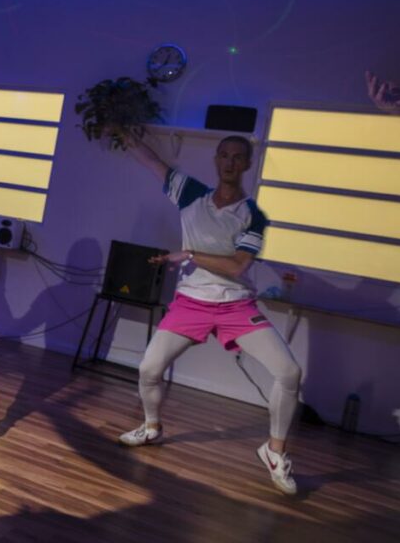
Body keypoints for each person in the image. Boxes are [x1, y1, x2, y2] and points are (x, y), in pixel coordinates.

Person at [115, 132, 302, 496]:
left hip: (236, 306)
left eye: (237, 157)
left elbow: (235, 266)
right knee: (148, 370)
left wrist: (188, 255)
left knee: (290, 372)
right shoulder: (191, 193)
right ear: (216, 160)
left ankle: (274, 452)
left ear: (247, 164)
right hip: (190, 304)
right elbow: (151, 161)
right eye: (224, 156)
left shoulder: (253, 216)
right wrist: (122, 131)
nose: (229, 163)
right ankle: (152, 427)